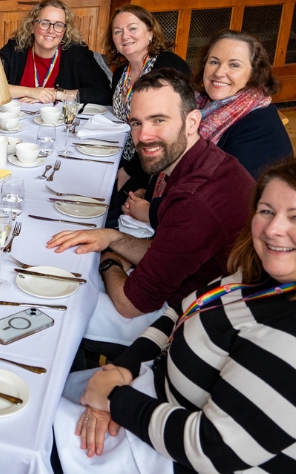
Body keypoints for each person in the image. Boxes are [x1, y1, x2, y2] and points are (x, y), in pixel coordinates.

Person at [53, 155, 296, 474]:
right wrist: (122, 370)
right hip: (170, 424)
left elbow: (214, 447)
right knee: (36, 415)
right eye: (266, 211)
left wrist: (116, 401)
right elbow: (180, 310)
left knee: (34, 472)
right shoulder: (264, 276)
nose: (273, 229)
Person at [49, 68, 255, 349]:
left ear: (192, 121)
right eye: (136, 123)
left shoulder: (195, 199)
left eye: (159, 120)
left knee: (57, 310)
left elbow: (129, 304)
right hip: (192, 287)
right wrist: (113, 238)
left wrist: (109, 259)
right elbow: (168, 251)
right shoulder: (200, 161)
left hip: (191, 322)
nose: (144, 136)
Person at [123, 29, 294, 224]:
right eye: (214, 62)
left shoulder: (260, 129)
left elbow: (221, 202)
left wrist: (152, 211)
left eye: (234, 65)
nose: (219, 72)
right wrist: (149, 190)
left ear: (254, 73)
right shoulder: (202, 104)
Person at [104, 4, 191, 221]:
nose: (125, 36)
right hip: (125, 155)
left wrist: (128, 171)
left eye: (133, 28)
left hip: (158, 159)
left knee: (111, 210)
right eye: (118, 31)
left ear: (150, 32)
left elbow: (168, 130)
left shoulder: (166, 65)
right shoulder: (120, 74)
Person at [0, 0, 110, 105]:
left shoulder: (77, 53)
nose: (51, 31)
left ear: (65, 31)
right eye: (44, 23)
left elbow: (104, 93)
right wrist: (30, 92)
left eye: (58, 25)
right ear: (32, 26)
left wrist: (57, 94)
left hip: (62, 122)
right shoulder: (16, 48)